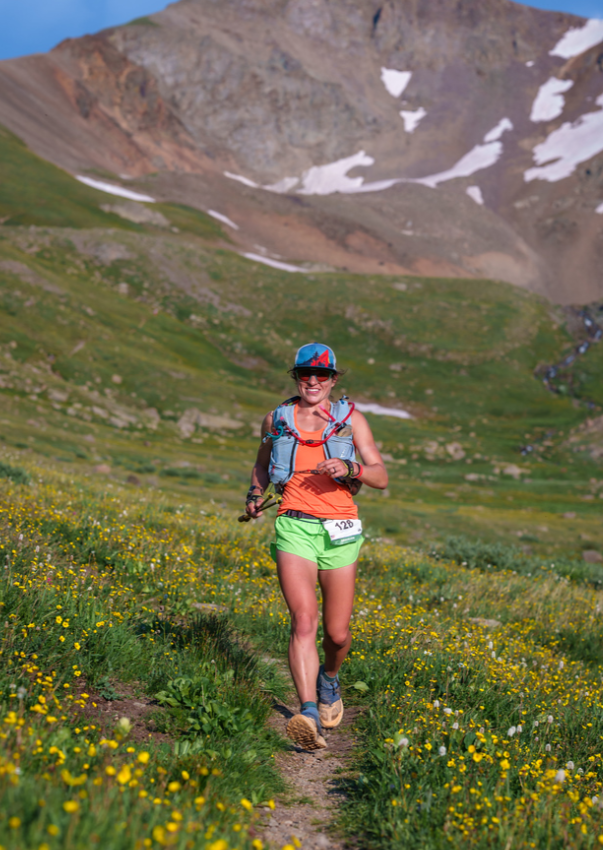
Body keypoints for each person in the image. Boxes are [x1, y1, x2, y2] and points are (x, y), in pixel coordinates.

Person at [246, 343, 388, 750]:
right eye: (305, 374)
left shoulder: (351, 420)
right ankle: (307, 713)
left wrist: (351, 467)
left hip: (341, 530)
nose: (313, 381)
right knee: (304, 620)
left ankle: (329, 678)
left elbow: (380, 476)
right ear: (296, 376)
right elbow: (261, 462)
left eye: (321, 375)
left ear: (333, 380)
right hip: (294, 525)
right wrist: (255, 494)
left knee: (337, 633)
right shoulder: (276, 418)